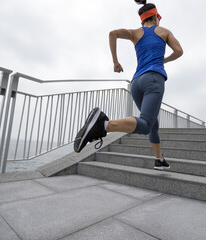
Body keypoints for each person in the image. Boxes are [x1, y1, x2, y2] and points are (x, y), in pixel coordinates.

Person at [74, 0, 183, 170]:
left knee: (153, 123)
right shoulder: (164, 31)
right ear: (155, 16)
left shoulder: (135, 33)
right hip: (154, 79)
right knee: (146, 124)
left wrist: (115, 62)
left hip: (136, 84)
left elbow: (112, 33)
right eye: (158, 17)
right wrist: (164, 60)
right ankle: (103, 125)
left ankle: (159, 159)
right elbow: (179, 51)